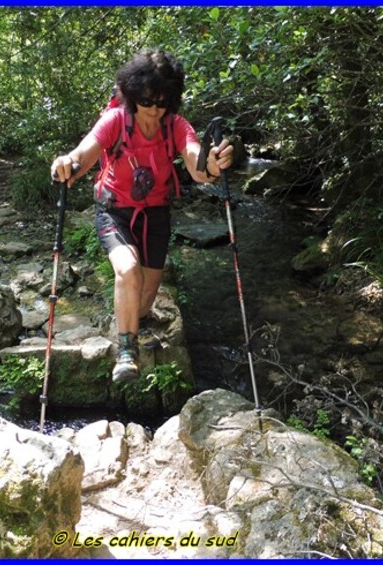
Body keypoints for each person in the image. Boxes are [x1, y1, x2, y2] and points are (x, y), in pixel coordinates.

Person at [50, 49, 233, 384]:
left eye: (162, 102)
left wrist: (213, 163)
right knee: (128, 270)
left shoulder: (176, 126)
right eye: (147, 101)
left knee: (148, 290)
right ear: (133, 96)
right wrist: (66, 162)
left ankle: (139, 316)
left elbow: (196, 164)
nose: (153, 110)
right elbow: (85, 152)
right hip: (114, 211)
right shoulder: (116, 120)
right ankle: (126, 351)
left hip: (156, 212)